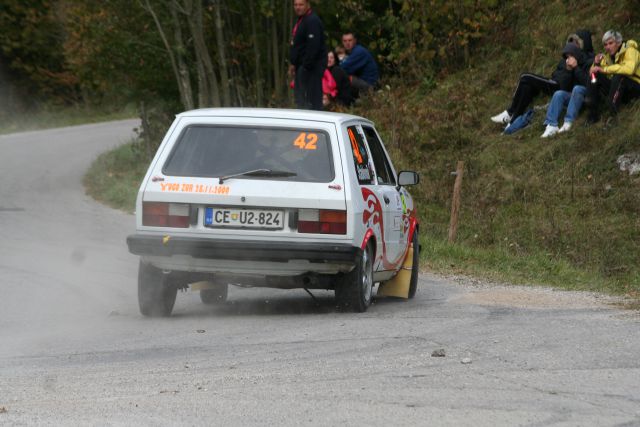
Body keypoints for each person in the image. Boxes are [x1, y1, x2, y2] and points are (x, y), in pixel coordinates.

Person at [491, 30, 594, 126]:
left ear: (581, 44)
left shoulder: (583, 60)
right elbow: (556, 73)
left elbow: (573, 82)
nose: (572, 46)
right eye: (570, 43)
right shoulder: (565, 59)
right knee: (527, 87)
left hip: (557, 86)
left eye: (575, 43)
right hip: (553, 81)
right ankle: (513, 120)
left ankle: (510, 112)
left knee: (525, 76)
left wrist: (571, 69)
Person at [587, 30, 640, 123]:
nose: (607, 47)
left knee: (619, 77)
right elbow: (592, 72)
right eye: (605, 45)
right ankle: (593, 115)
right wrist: (595, 63)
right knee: (594, 76)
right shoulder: (606, 57)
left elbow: (629, 69)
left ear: (618, 42)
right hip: (620, 90)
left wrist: (605, 70)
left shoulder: (630, 50)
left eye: (610, 43)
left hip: (635, 87)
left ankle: (613, 115)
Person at [541, 42, 592, 138]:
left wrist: (576, 68)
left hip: (587, 94)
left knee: (577, 88)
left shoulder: (587, 62)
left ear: (576, 54)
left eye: (571, 56)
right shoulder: (568, 65)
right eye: (567, 57)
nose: (569, 59)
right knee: (558, 93)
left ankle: (568, 122)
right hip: (574, 97)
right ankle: (551, 125)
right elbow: (563, 87)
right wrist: (568, 71)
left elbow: (588, 83)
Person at [289, 0, 326, 110]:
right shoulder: (302, 20)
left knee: (311, 101)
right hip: (302, 66)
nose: (298, 7)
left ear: (308, 5)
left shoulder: (312, 20)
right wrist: (293, 63)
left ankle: (315, 125)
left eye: (301, 4)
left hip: (311, 69)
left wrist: (305, 66)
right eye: (295, 5)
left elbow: (313, 47)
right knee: (301, 100)